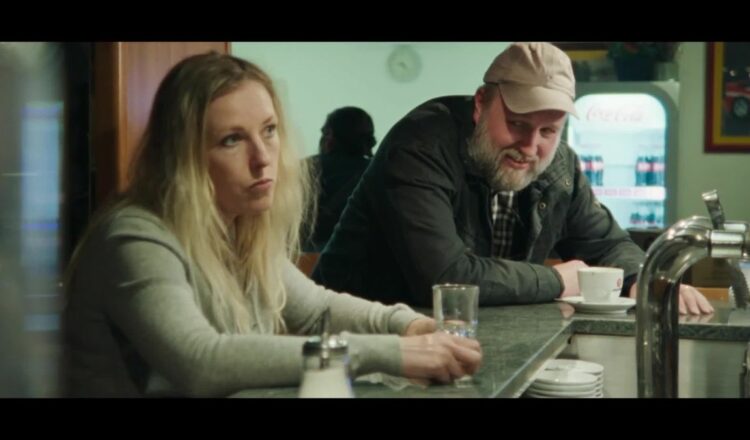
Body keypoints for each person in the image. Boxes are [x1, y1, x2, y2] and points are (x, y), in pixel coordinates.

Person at [61, 52, 481, 397]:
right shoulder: (134, 236)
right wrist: (395, 353)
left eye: (269, 130)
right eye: (232, 139)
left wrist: (409, 325)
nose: (263, 158)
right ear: (183, 157)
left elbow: (316, 309)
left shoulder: (237, 224)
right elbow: (201, 362)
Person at [313, 42, 712, 316]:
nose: (530, 146)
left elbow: (609, 244)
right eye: (518, 124)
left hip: (458, 336)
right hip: (356, 333)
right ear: (480, 104)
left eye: (548, 131)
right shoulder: (421, 146)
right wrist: (556, 280)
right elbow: (445, 279)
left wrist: (643, 280)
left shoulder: (559, 166)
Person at [302, 106, 375, 252]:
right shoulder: (377, 171)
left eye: (324, 132)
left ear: (330, 136)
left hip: (307, 256)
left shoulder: (307, 168)